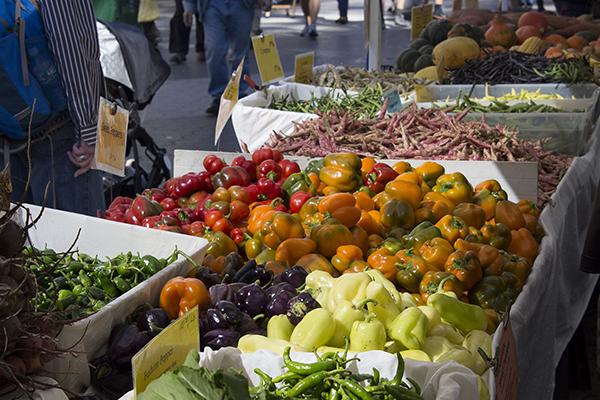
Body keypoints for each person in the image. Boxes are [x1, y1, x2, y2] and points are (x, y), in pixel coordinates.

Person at [0, 0, 104, 216]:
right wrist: (89, 129)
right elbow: (71, 48)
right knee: (80, 241)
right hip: (59, 135)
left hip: (10, 134)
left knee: (25, 241)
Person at [183, 0, 255, 116]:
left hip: (241, 5)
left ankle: (239, 93)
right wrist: (189, 6)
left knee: (240, 53)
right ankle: (219, 94)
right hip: (212, 5)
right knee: (215, 49)